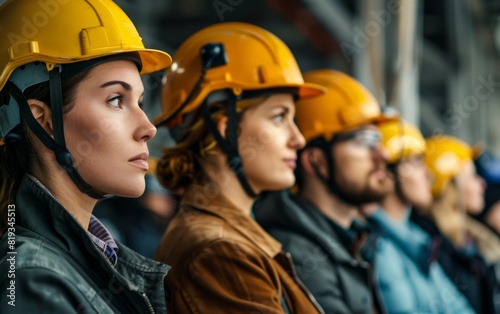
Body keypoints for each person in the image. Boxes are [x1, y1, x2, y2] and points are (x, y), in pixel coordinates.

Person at [0, 0, 172, 312]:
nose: (148, 128)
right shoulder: (33, 280)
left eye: (141, 101)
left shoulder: (91, 259)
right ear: (43, 120)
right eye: (117, 99)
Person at [153, 22, 326, 313]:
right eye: (279, 117)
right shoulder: (220, 252)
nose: (298, 139)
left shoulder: (226, 239)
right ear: (225, 131)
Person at [254, 69, 392, 314]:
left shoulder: (353, 238)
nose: (383, 155)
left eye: (378, 142)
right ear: (316, 161)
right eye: (365, 141)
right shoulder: (297, 253)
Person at [367, 120, 475, 313]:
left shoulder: (418, 239)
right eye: (416, 162)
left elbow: (459, 307)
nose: (429, 175)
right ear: (388, 172)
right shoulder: (379, 248)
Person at [411, 135, 500, 313]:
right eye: (472, 176)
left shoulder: (469, 242)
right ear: (451, 184)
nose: (482, 183)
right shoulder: (430, 243)